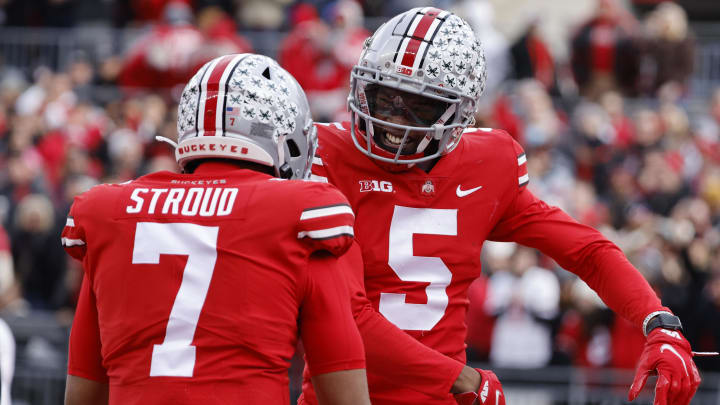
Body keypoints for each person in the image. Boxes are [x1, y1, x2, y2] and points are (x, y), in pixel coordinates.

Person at [302, 7, 704, 405]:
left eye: (418, 106)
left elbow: (586, 250)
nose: (391, 120)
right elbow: (341, 316)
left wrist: (658, 321)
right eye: (383, 96)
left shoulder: (486, 165)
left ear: (458, 114)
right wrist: (462, 378)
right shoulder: (325, 156)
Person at [61, 54, 371, 405]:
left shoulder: (112, 214)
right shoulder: (301, 216)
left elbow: (83, 391)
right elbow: (343, 389)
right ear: (287, 138)